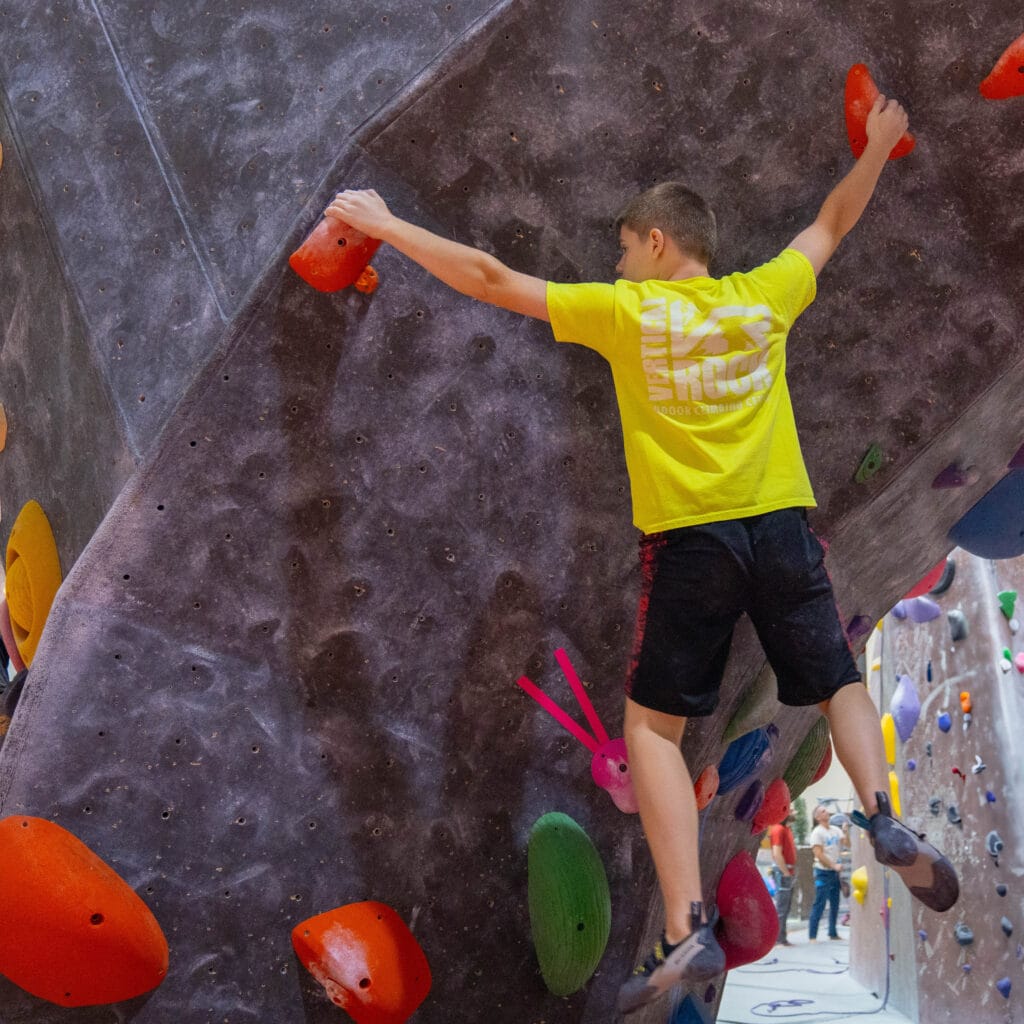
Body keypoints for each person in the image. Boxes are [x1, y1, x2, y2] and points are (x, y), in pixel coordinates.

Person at [325, 93, 959, 1016]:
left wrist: (386, 224)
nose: (619, 263)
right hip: (782, 528)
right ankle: (884, 813)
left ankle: (685, 923)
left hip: (692, 543)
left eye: (625, 248)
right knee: (836, 679)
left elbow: (490, 278)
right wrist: (879, 148)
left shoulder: (628, 312)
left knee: (653, 733)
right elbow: (833, 220)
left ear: (658, 242)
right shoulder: (764, 295)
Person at [808, 805, 844, 941]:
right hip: (822, 872)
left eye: (826, 810)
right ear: (817, 817)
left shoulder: (835, 830)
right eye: (823, 811)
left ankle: (833, 933)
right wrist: (833, 865)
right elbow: (818, 853)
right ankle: (812, 936)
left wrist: (845, 831)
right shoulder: (817, 833)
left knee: (835, 903)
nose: (827, 812)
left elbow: (846, 844)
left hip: (834, 872)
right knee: (820, 903)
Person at [770, 811, 798, 945]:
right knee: (782, 907)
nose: (794, 812)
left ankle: (782, 937)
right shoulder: (778, 829)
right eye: (790, 810)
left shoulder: (786, 829)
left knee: (785, 907)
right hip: (783, 872)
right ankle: (778, 938)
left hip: (787, 871)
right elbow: (777, 853)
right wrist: (785, 872)